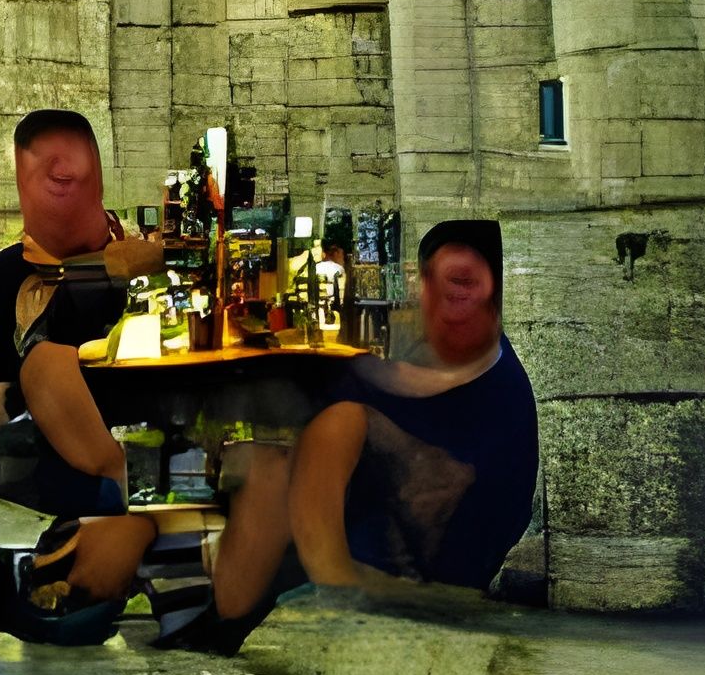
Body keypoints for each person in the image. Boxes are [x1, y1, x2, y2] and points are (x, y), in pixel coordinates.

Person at [207, 219, 539, 632]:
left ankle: (243, 619)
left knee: (275, 468)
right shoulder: (482, 351)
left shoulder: (472, 371)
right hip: (440, 556)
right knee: (283, 461)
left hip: (424, 568)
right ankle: (238, 610)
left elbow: (379, 407)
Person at [0, 109, 158, 600]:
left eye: (70, 173)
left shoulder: (149, 263)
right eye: (47, 176)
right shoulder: (4, 277)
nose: (60, 186)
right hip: (58, 482)